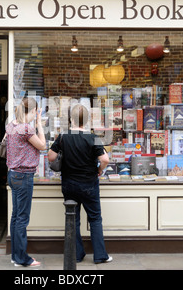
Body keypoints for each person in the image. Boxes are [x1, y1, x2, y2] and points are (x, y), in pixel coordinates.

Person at [47, 104, 112, 264]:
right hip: (89, 184)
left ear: (71, 120)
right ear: (87, 120)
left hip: (69, 184)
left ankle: (76, 254)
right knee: (95, 218)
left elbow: (50, 156)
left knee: (73, 219)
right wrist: (99, 170)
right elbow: (105, 159)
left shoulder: (63, 137)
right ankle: (100, 256)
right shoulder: (92, 138)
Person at [6, 97, 46, 267]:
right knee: (22, 218)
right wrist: (39, 124)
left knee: (16, 216)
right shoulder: (25, 129)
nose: (35, 115)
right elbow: (42, 145)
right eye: (35, 112)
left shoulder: (11, 125)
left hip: (13, 174)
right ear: (31, 112)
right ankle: (22, 258)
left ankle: (16, 255)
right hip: (24, 176)